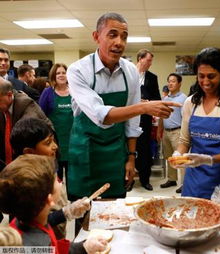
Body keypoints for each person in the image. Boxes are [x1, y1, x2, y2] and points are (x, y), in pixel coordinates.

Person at [66, 13, 179, 200]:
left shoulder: (130, 72)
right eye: (112, 35)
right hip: (85, 151)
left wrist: (131, 156)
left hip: (116, 151)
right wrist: (144, 107)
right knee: (83, 210)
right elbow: (101, 115)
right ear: (96, 37)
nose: (119, 42)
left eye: (124, 36)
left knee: (113, 211)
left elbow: (132, 123)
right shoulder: (78, 70)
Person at [170, 47, 220, 199]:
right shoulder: (191, 102)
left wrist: (208, 159)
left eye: (211, 76)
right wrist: (178, 154)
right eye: (201, 76)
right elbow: (185, 141)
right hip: (194, 181)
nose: (205, 82)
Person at [0, 154, 107, 253]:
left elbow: (51, 241)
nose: (60, 182)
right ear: (49, 199)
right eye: (56, 180)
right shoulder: (38, 245)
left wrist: (67, 212)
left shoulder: (23, 219)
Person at [10, 118, 91, 240]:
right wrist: (65, 213)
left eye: (53, 141)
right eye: (48, 143)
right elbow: (34, 225)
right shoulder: (27, 183)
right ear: (29, 152)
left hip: (53, 238)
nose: (55, 146)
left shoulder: (47, 166)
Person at [0, 77, 52, 171]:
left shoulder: (27, 106)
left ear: (9, 95)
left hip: (36, 163)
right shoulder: (3, 106)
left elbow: (25, 141)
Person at [39, 63, 73, 180]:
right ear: (53, 76)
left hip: (73, 141)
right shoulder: (47, 93)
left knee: (73, 177)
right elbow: (41, 116)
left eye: (64, 73)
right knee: (55, 178)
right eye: (58, 73)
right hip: (54, 142)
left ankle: (72, 198)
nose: (61, 75)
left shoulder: (75, 92)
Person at [134, 49, 161, 191]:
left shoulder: (152, 77)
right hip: (128, 117)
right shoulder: (128, 74)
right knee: (128, 150)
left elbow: (157, 98)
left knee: (144, 150)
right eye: (148, 60)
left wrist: (147, 102)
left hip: (145, 119)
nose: (150, 63)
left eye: (151, 61)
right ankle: (128, 180)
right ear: (140, 59)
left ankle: (145, 180)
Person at [158, 73, 187, 193]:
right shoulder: (165, 99)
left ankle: (184, 183)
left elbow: (186, 118)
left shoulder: (184, 99)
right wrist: (159, 131)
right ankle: (172, 179)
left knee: (180, 159)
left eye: (173, 81)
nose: (170, 83)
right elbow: (161, 116)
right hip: (166, 132)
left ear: (179, 83)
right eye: (169, 81)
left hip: (178, 131)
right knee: (169, 157)